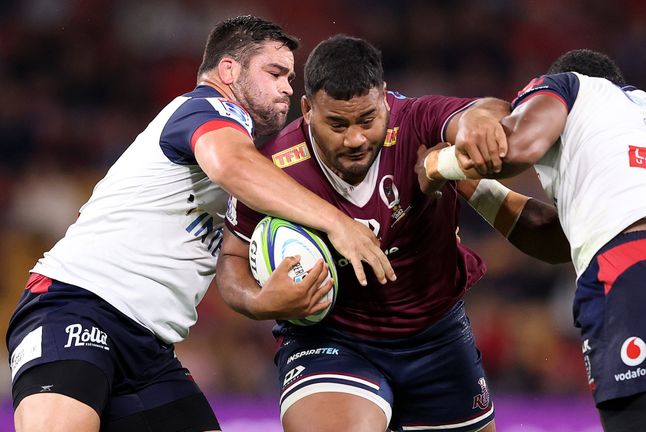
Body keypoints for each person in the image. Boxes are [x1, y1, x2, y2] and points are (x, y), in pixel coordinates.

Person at [5, 16, 396, 432]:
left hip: (149, 347)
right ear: (229, 70)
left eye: (290, 77)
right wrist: (338, 224)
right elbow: (231, 164)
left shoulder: (257, 166)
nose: (287, 87)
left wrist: (266, 304)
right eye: (275, 73)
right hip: (75, 306)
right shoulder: (203, 108)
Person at [215, 34, 569, 432]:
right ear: (307, 109)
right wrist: (261, 303)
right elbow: (231, 261)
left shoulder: (416, 122)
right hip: (331, 339)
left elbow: (480, 112)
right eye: (337, 124)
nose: (355, 138)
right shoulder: (275, 165)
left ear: (384, 98)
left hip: (437, 335)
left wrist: (478, 127)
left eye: (367, 119)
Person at [422, 49, 646, 431]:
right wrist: (470, 185)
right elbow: (558, 240)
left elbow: (514, 146)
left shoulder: (567, 85)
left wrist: (438, 164)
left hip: (645, 276)